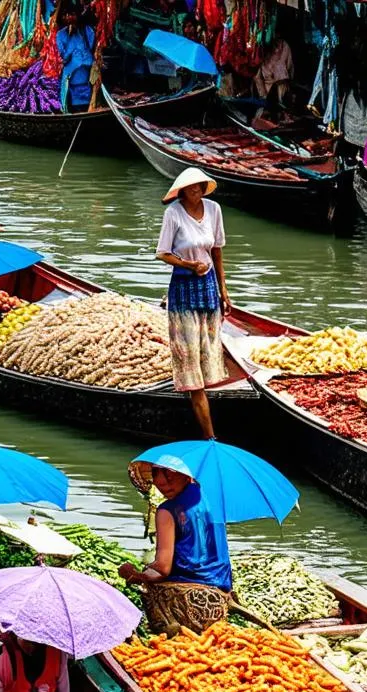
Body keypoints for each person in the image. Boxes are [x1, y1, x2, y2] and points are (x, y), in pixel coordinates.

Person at [156, 167, 230, 440]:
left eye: (200, 185)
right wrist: (189, 264)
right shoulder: (173, 213)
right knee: (189, 362)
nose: (196, 189)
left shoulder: (214, 210)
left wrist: (224, 289)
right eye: (191, 186)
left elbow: (217, 250)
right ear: (183, 190)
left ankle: (203, 399)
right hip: (184, 286)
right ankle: (209, 435)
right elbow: (162, 253)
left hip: (208, 285)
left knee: (208, 351)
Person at [118, 465, 232, 591]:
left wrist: (135, 575)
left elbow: (162, 569)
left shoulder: (167, 510)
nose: (161, 481)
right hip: (222, 588)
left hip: (186, 590)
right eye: (155, 473)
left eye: (168, 473)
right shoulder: (213, 500)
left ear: (186, 474)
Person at [56, 4, 95, 113]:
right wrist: (71, 37)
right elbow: (63, 56)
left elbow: (91, 48)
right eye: (66, 15)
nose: (69, 17)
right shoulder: (60, 35)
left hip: (86, 76)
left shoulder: (88, 31)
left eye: (72, 14)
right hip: (71, 77)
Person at [252, 36, 294, 110]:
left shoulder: (284, 45)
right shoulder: (262, 48)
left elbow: (290, 67)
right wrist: (263, 95)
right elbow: (257, 77)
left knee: (280, 109)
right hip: (269, 89)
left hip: (279, 88)